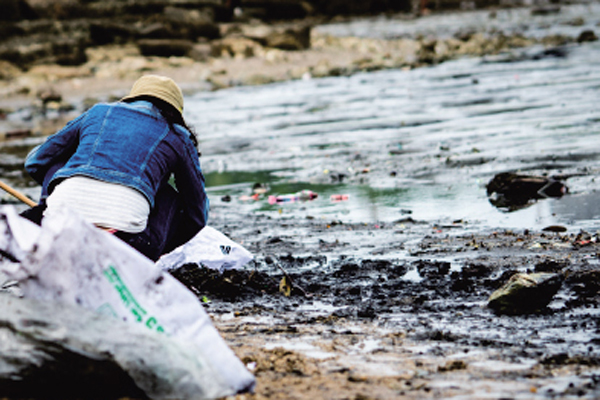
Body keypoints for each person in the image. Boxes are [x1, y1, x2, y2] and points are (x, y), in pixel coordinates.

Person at [22, 75, 209, 261]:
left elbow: (35, 161)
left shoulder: (98, 111)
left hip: (57, 221)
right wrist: (163, 247)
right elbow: (197, 215)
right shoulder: (178, 135)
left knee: (59, 163)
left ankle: (42, 217)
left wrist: (53, 198)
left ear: (132, 98)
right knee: (170, 195)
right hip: (132, 243)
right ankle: (142, 258)